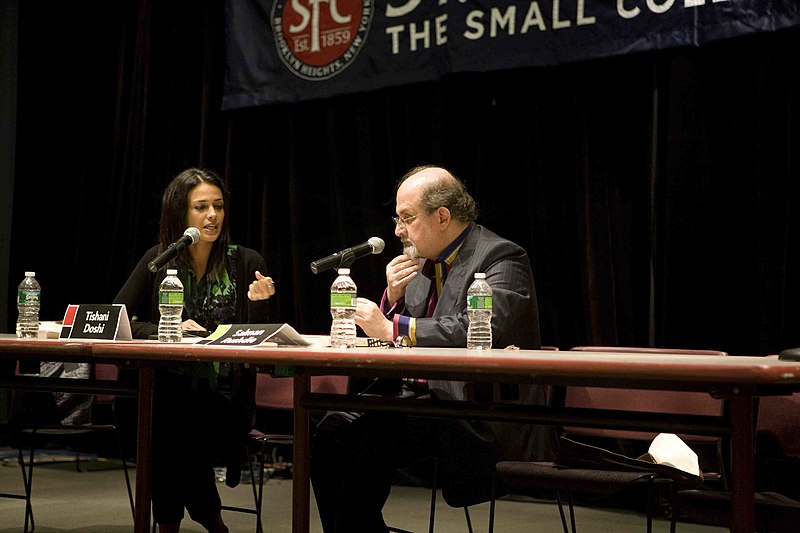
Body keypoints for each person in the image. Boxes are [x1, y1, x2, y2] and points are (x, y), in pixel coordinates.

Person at [310, 165, 551, 533]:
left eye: (406, 218)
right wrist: (393, 299)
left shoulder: (501, 257)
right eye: (397, 218)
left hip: (470, 409)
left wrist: (393, 325)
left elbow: (475, 327)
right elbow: (404, 332)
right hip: (418, 398)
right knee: (330, 431)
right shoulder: (421, 263)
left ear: (442, 216)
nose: (397, 230)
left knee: (359, 442)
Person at [113, 167, 276, 533]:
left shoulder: (246, 262)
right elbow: (119, 317)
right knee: (169, 416)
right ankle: (209, 521)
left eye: (218, 206)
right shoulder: (160, 258)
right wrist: (166, 330)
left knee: (170, 426)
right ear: (180, 214)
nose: (212, 215)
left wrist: (259, 304)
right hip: (167, 391)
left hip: (225, 398)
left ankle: (175, 525)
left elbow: (260, 339)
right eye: (201, 207)